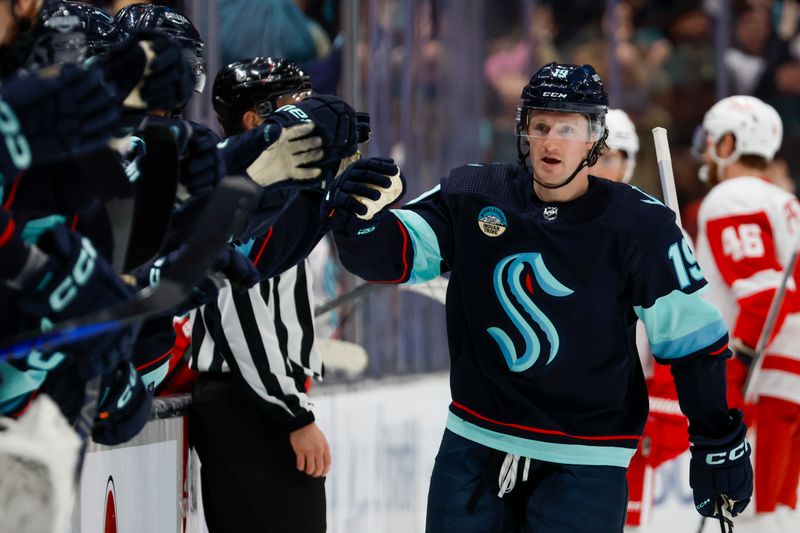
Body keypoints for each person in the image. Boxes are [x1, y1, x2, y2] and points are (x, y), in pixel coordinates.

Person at [327, 62, 753, 532]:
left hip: (586, 460)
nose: (551, 142)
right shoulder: (473, 194)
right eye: (541, 125)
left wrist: (715, 437)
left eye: (568, 127)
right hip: (475, 444)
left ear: (595, 138)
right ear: (523, 131)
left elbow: (693, 342)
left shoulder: (639, 226)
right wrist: (358, 224)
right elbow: (393, 255)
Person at [187, 57, 349, 533]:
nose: (311, 116)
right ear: (256, 121)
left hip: (256, 401)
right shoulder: (236, 193)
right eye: (296, 106)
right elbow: (237, 312)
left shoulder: (280, 192)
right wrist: (290, 415)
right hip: (250, 407)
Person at [693, 95, 800, 531]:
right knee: (778, 509)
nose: (704, 150)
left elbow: (764, 298)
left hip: (764, 373)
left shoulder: (731, 196)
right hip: (788, 371)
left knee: (749, 511)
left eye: (711, 139)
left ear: (729, 143)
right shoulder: (784, 200)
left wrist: (733, 367)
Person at [592, 108, 692, 528]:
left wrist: (666, 412)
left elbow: (680, 327)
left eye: (615, 155)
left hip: (623, 403)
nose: (603, 164)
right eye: (598, 153)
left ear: (629, 162)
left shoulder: (650, 228)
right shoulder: (544, 222)